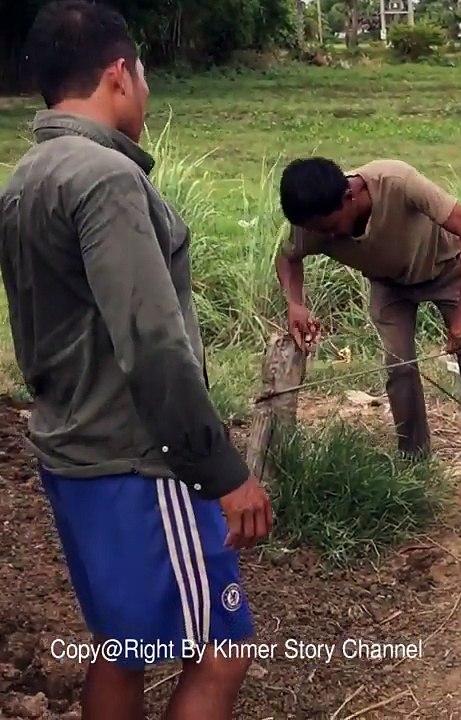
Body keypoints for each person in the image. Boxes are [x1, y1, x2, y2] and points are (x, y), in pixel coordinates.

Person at [0, 2, 272, 718]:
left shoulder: (27, 176)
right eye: (144, 76)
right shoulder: (106, 179)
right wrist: (224, 474)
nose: (146, 93)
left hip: (74, 453)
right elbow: (154, 345)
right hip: (140, 465)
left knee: (121, 646)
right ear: (119, 75)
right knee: (222, 645)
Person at [275, 156, 461, 505]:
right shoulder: (312, 222)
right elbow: (288, 257)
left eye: (329, 227)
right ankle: (415, 468)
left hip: (447, 270)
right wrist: (295, 303)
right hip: (389, 285)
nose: (325, 237)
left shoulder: (396, 181)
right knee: (399, 367)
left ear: (348, 198)